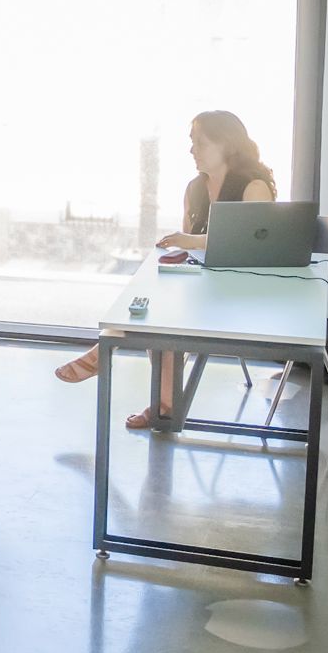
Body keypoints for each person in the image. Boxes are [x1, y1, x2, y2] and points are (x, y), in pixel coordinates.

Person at [54, 110, 277, 429]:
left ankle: (106, 354)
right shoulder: (195, 188)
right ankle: (161, 402)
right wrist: (182, 247)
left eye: (200, 143)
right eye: (191, 141)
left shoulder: (253, 186)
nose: (192, 150)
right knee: (154, 303)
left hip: (239, 292)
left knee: (160, 314)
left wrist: (190, 241)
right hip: (202, 285)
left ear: (227, 145)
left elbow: (253, 246)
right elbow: (191, 246)